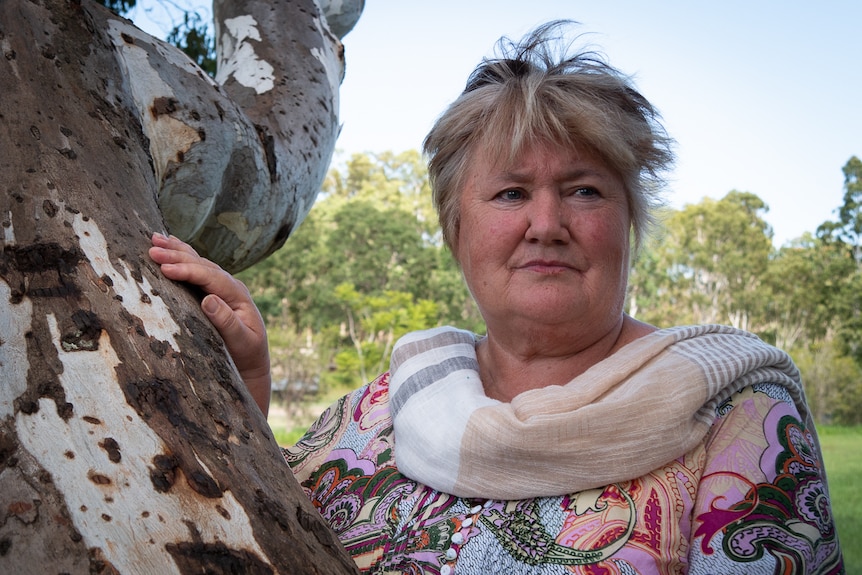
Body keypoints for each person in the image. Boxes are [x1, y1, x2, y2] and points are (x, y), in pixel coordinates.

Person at [149, 21, 844, 575]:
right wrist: (251, 391)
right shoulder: (383, 406)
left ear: (628, 223)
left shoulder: (740, 413)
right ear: (458, 232)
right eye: (511, 193)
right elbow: (263, 541)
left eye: (583, 189)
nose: (547, 224)